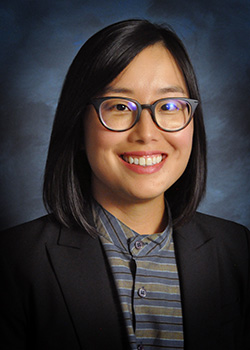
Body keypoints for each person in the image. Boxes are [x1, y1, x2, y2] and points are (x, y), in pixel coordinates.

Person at [0, 19, 249, 350]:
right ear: (78, 127)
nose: (146, 133)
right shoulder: (13, 262)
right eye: (119, 106)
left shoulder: (239, 251)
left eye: (170, 106)